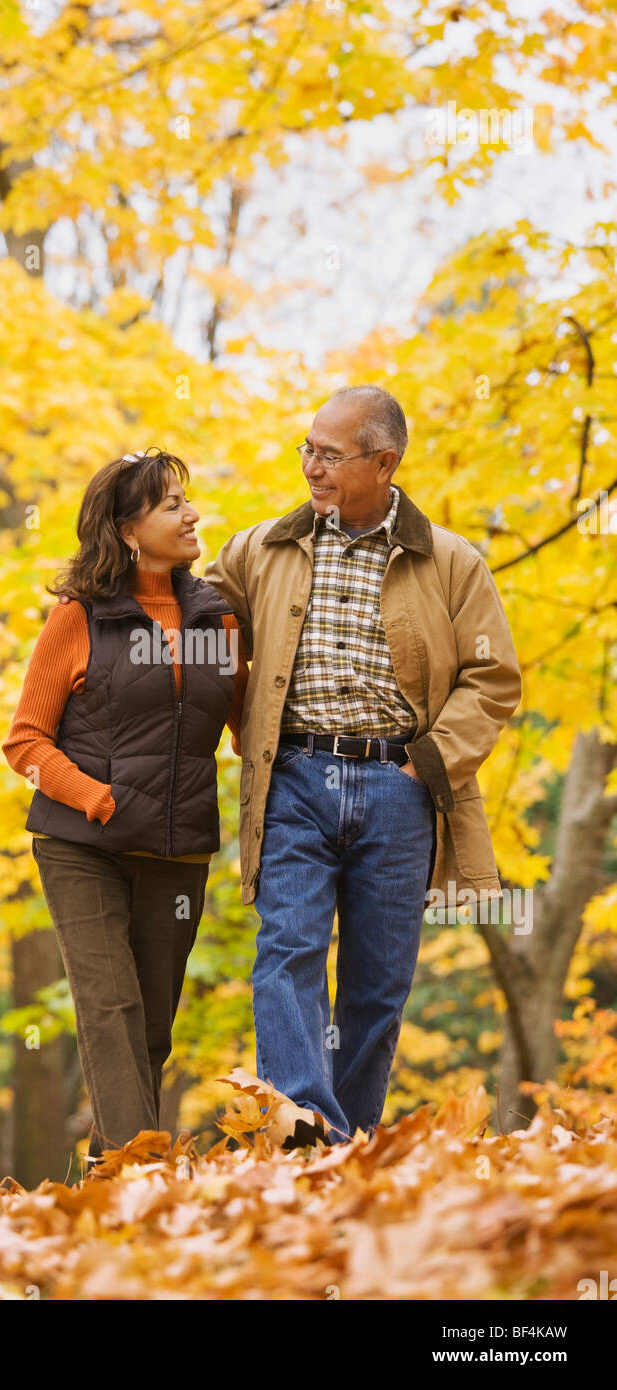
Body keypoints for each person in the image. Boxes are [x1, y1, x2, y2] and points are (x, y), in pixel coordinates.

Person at [203, 385, 522, 1145]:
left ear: (385, 463)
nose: (311, 466)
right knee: (288, 951)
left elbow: (493, 677)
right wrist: (239, 715)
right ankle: (302, 1128)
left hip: (399, 789)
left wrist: (428, 764)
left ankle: (348, 1145)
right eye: (307, 448)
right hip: (295, 780)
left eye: (330, 454)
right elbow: (203, 626)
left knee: (378, 984)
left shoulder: (451, 562)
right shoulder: (259, 548)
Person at [2, 447, 248, 1163]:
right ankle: (145, 1180)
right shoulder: (82, 618)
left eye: (187, 499)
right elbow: (25, 741)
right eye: (171, 504)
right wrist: (96, 799)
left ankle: (110, 1190)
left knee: (152, 1033)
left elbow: (247, 728)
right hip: (83, 845)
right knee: (110, 1012)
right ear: (128, 531)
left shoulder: (218, 620)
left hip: (178, 851)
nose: (191, 513)